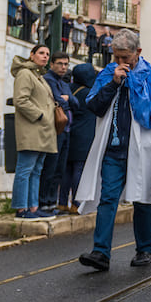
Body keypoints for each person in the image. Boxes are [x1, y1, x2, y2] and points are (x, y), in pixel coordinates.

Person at [77, 29, 151, 271]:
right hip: (113, 150)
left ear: (138, 53)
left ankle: (145, 250)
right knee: (108, 199)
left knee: (142, 200)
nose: (121, 63)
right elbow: (94, 105)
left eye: (126, 57)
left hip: (144, 150)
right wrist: (113, 84)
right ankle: (100, 253)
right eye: (117, 57)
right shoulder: (106, 75)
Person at [10, 44, 57, 219]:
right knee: (25, 169)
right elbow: (20, 100)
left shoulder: (39, 76)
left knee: (36, 170)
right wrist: (40, 116)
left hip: (42, 130)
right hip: (32, 129)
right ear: (31, 55)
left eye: (47, 54)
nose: (45, 56)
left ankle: (33, 208)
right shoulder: (25, 74)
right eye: (41, 53)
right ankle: (21, 209)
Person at [60, 62, 98, 213]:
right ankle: (77, 202)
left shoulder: (68, 89)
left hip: (68, 132)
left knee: (67, 170)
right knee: (79, 169)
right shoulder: (90, 92)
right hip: (85, 135)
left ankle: (62, 202)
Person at [39, 51, 74, 214]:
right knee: (50, 167)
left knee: (60, 168)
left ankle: (52, 202)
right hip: (55, 129)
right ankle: (45, 202)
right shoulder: (48, 79)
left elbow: (76, 102)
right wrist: (65, 100)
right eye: (60, 63)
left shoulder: (64, 82)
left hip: (66, 130)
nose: (63, 67)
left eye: (66, 64)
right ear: (52, 64)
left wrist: (67, 99)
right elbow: (57, 99)